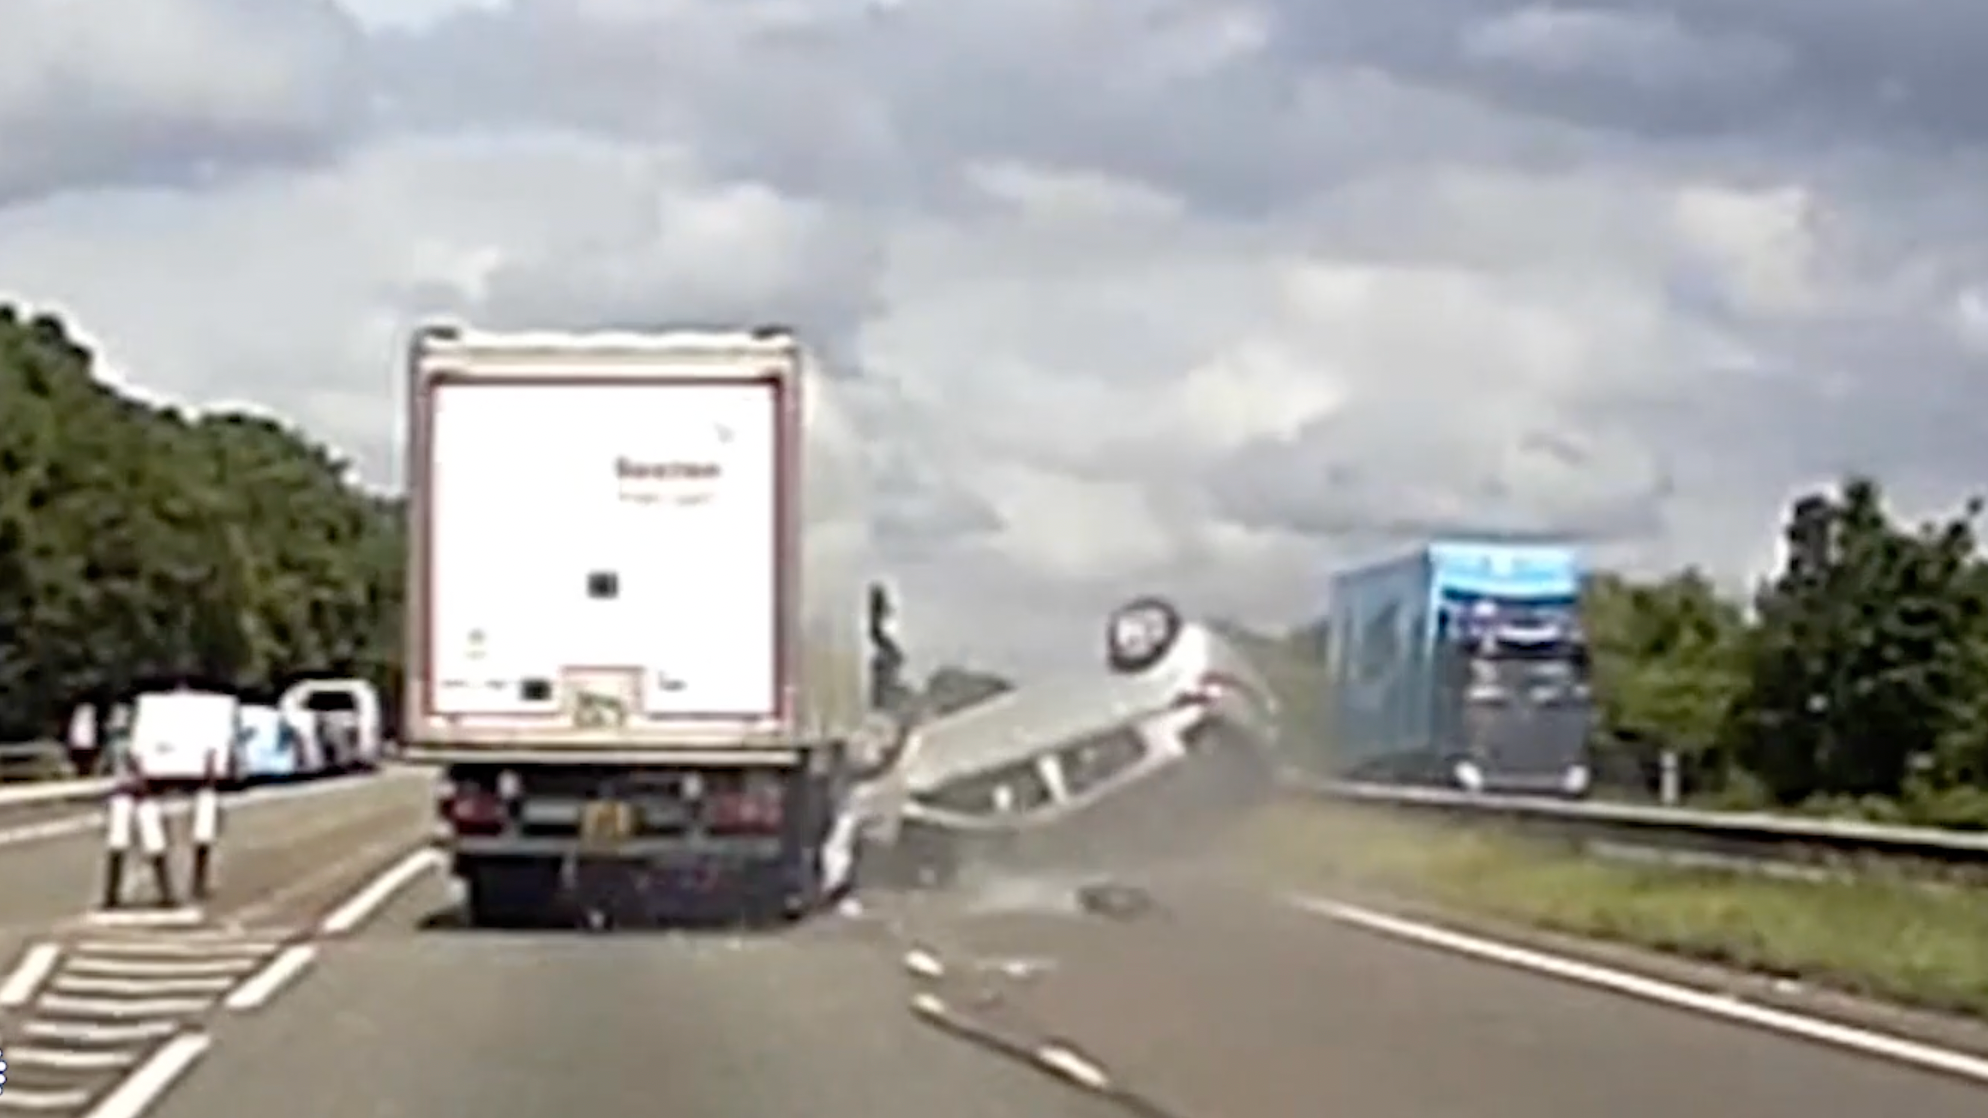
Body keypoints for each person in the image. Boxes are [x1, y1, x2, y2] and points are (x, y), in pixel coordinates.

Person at [101, 735, 177, 909]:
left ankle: (166, 893)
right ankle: (111, 895)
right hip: (125, 795)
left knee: (154, 842)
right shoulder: (122, 743)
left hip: (143, 797)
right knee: (118, 841)